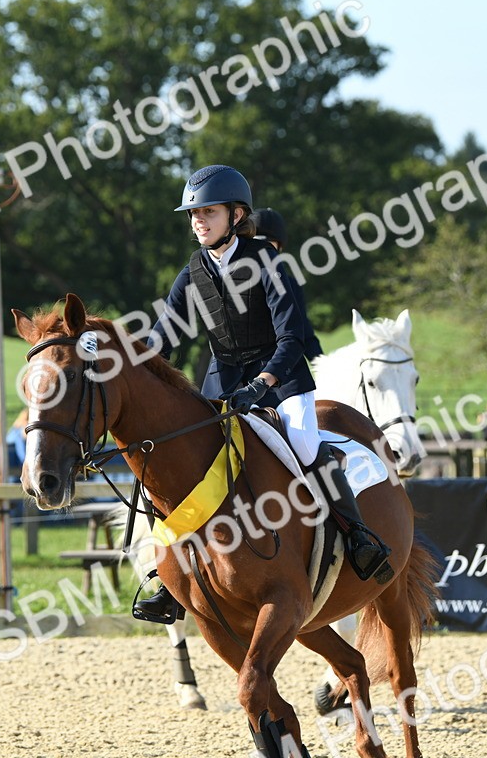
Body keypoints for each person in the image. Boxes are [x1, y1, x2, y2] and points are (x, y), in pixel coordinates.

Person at [132, 164, 393, 625]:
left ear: (236, 215)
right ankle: (171, 575)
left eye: (207, 212)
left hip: (281, 375)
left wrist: (264, 383)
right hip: (224, 380)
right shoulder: (192, 272)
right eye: (193, 214)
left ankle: (358, 537)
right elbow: (163, 338)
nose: (198, 221)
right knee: (180, 463)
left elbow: (291, 338)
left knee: (306, 445)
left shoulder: (268, 262)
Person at [249, 207, 323, 361]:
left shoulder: (290, 284)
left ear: (279, 248)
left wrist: (323, 367)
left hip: (280, 368)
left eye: (268, 246)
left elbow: (304, 332)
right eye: (256, 245)